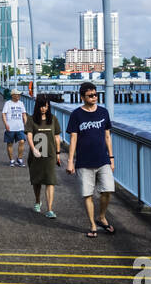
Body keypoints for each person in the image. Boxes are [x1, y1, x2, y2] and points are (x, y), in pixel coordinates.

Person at [65, 81, 116, 236]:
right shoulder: (76, 115)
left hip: (103, 159)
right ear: (82, 97)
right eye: (90, 95)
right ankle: (93, 225)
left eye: (95, 94)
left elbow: (108, 136)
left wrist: (112, 157)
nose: (94, 97)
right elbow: (73, 138)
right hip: (84, 162)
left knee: (107, 191)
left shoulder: (103, 112)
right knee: (87, 194)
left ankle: (101, 216)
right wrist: (70, 161)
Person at [25, 94, 62, 217]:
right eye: (41, 106)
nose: (43, 109)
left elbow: (57, 137)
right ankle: (37, 201)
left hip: (50, 155)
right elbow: (29, 135)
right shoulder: (31, 119)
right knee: (37, 181)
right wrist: (33, 148)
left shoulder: (53, 119)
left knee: (50, 181)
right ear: (37, 106)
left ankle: (50, 209)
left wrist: (58, 153)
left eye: (46, 106)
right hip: (36, 155)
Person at [1, 88, 27, 166]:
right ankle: (11, 160)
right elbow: (3, 114)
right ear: (13, 95)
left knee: (22, 141)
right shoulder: (8, 103)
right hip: (10, 127)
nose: (19, 96)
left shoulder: (21, 103)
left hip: (20, 127)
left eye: (19, 94)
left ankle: (19, 159)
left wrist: (25, 122)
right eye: (17, 94)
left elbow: (24, 114)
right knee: (10, 144)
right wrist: (6, 124)